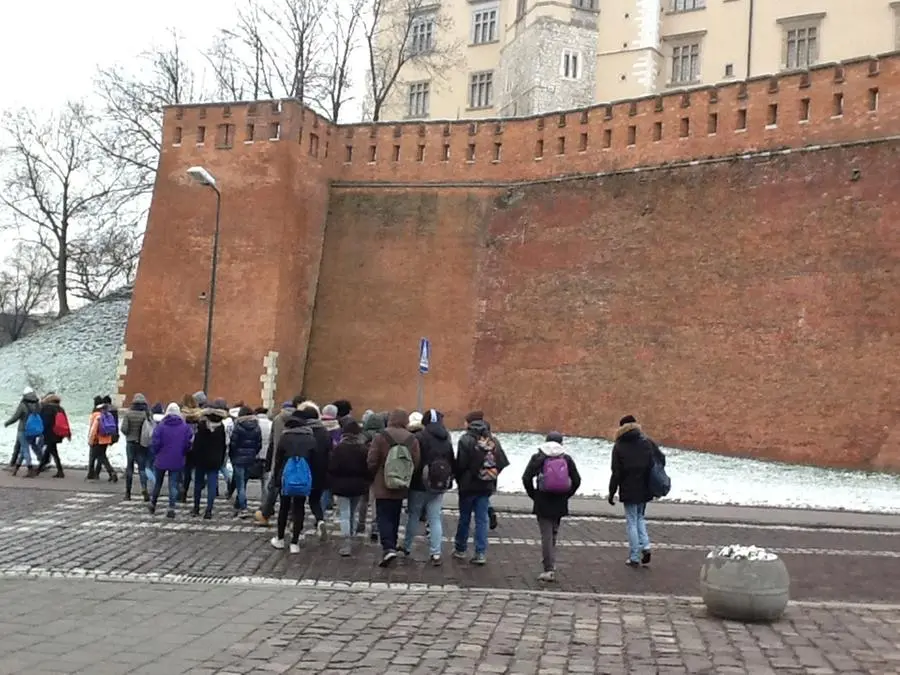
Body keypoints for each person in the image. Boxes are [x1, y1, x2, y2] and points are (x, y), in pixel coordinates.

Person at [522, 432, 582, 582]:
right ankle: (550, 562)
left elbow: (526, 477)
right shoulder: (566, 458)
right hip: (560, 500)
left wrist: (533, 494)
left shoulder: (538, 457)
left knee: (546, 535)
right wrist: (567, 494)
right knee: (553, 532)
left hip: (542, 500)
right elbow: (577, 479)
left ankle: (548, 568)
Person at [367, 409, 421, 567]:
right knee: (395, 515)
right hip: (402, 483)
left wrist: (375, 474)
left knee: (383, 516)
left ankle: (388, 547)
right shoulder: (412, 438)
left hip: (382, 482)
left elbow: (372, 459)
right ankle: (393, 542)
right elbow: (416, 462)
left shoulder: (381, 436)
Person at [454, 410, 509, 565]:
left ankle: (460, 548)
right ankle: (480, 553)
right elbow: (502, 461)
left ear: (469, 423)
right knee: (482, 520)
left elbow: (461, 464)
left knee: (464, 518)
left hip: (468, 486)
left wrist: (461, 478)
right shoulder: (493, 440)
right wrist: (491, 474)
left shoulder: (465, 440)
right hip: (486, 486)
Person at [402, 409, 455, 566]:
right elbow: (452, 461)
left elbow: (414, 461)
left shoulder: (419, 437)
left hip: (419, 484)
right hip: (439, 484)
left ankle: (407, 546)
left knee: (413, 515)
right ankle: (436, 552)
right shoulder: (446, 438)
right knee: (435, 518)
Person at [608, 415, 662, 567]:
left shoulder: (619, 445)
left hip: (628, 488)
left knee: (631, 521)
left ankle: (634, 556)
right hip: (644, 488)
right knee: (640, 518)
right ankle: (645, 546)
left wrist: (612, 492)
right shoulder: (646, 443)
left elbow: (616, 472)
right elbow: (654, 464)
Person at [270, 413, 318, 553]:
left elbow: (278, 460)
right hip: (303, 478)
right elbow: (315, 461)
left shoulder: (285, 438)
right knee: (299, 508)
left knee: (284, 508)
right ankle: (294, 542)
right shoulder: (310, 439)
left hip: (286, 478)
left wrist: (276, 478)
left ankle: (279, 538)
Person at [327, 416, 370, 557]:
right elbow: (368, 468)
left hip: (341, 485)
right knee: (353, 513)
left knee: (345, 513)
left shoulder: (339, 448)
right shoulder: (363, 449)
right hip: (358, 485)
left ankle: (346, 542)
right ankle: (351, 536)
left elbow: (332, 467)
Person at [255, 398, 301, 526]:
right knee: (291, 491)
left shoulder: (277, 419)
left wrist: (269, 463)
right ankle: (291, 518)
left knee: (273, 490)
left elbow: (271, 442)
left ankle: (265, 515)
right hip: (293, 460)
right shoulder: (299, 421)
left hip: (277, 459)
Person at [148, 403, 193, 518]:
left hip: (161, 458)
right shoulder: (184, 427)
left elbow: (155, 442)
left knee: (158, 483)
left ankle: (153, 503)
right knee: (173, 484)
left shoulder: (161, 426)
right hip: (177, 459)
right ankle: (171, 507)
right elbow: (188, 443)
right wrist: (183, 453)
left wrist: (157, 452)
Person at [298, 401, 331, 540]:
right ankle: (320, 520)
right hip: (321, 471)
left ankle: (298, 530)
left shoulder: (304, 431)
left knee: (299, 501)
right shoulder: (324, 432)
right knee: (315, 500)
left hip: (304, 470)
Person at [190, 402, 229, 518]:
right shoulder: (221, 428)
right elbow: (223, 446)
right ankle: (209, 510)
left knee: (198, 485)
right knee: (212, 485)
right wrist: (221, 459)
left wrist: (194, 458)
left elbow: (196, 445)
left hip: (201, 460)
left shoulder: (201, 427)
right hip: (214, 461)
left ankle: (196, 508)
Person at [229, 406, 262, 518]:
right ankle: (239, 504)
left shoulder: (238, 427)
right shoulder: (257, 427)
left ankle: (243, 507)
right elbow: (259, 444)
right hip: (250, 459)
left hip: (238, 459)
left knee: (240, 485)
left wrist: (233, 455)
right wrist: (253, 453)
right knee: (244, 483)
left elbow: (233, 443)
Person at [120, 393, 153, 501]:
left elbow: (124, 429)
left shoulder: (128, 414)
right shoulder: (146, 414)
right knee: (142, 468)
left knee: (130, 467)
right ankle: (144, 488)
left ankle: (128, 493)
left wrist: (130, 434)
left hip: (130, 443)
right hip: (142, 444)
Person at [4, 387, 43, 477]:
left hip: (23, 430)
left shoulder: (23, 405)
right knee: (30, 447)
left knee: (25, 449)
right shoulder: (38, 404)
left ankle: (30, 468)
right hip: (34, 430)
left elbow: (16, 417)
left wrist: (7, 423)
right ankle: (41, 461)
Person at [37, 392, 70, 478]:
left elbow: (44, 421)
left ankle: (39, 470)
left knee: (52, 451)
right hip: (58, 433)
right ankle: (40, 470)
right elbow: (65, 421)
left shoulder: (46, 408)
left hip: (49, 433)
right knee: (50, 451)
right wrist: (68, 433)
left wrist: (40, 431)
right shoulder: (60, 409)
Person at [88, 396, 118, 482]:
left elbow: (93, 429)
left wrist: (91, 440)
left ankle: (111, 472)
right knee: (102, 456)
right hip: (106, 438)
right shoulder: (108, 414)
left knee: (100, 457)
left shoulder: (96, 415)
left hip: (98, 440)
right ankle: (95, 473)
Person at [254, 407, 272, 501]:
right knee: (265, 480)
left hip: (256, 455)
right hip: (267, 455)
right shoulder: (270, 424)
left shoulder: (255, 424)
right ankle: (265, 502)